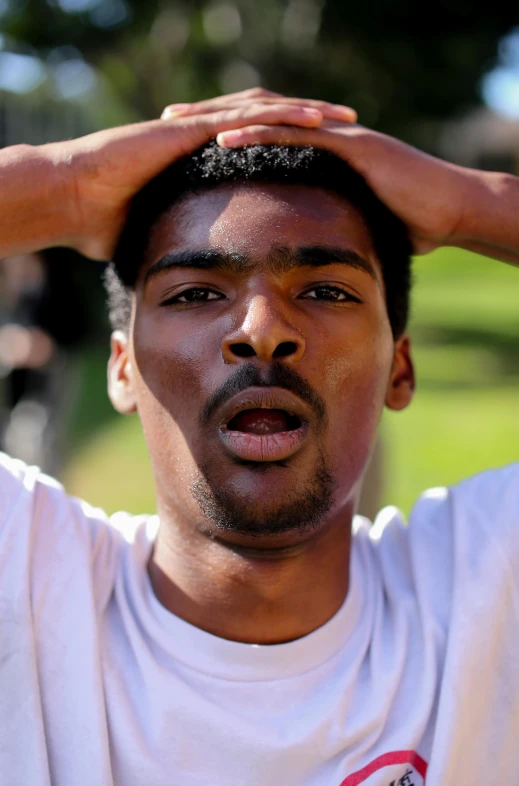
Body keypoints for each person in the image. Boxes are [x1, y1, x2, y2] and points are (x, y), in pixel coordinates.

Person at [0, 88, 517, 786]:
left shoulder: (483, 600)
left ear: (398, 368)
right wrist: (63, 185)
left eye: (327, 291)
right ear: (122, 369)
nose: (261, 331)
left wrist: (470, 203)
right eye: (194, 293)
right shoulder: (25, 588)